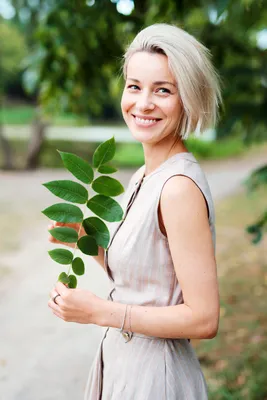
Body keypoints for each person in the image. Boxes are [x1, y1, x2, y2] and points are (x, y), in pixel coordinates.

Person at [48, 23, 221, 399]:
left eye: (163, 90)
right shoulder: (146, 174)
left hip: (156, 377)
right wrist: (84, 236)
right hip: (122, 364)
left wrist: (100, 312)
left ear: (187, 99)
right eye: (134, 86)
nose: (143, 104)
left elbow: (205, 318)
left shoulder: (178, 188)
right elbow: (147, 279)